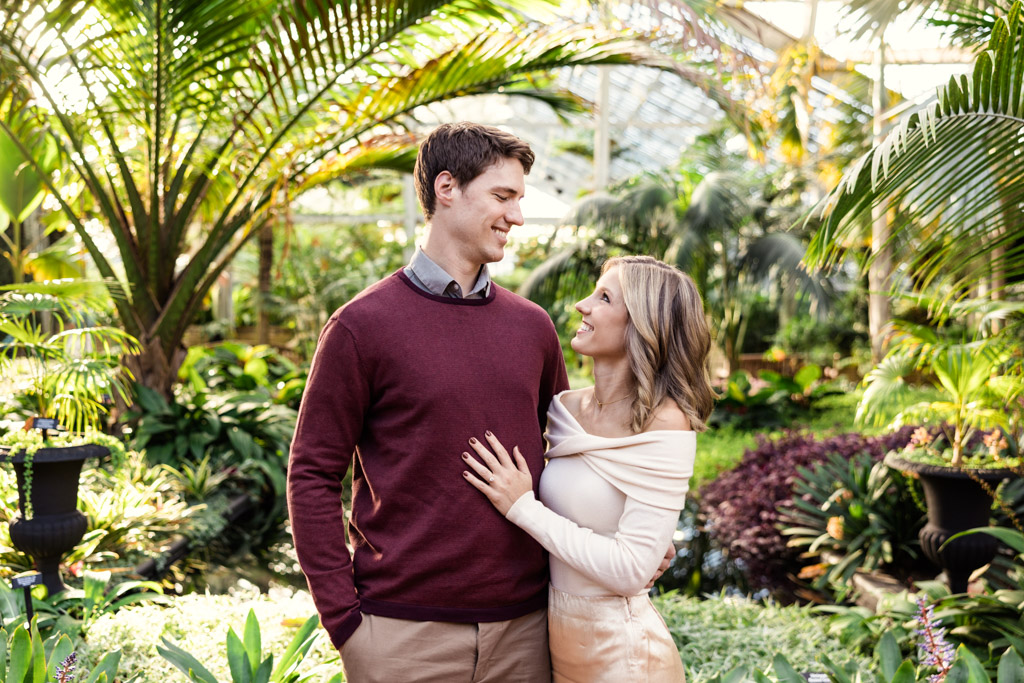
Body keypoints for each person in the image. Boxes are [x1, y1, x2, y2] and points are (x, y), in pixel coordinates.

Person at [287, 122, 572, 683]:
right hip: (399, 636)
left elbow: (570, 454)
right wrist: (345, 623)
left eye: (520, 199)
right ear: (447, 188)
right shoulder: (361, 326)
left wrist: (632, 539)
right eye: (502, 196)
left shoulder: (532, 327)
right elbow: (313, 474)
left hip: (526, 633)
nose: (516, 216)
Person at [462, 255, 715, 682]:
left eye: (604, 298)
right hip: (557, 639)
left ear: (643, 323)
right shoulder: (563, 410)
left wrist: (523, 508)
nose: (582, 305)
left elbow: (632, 570)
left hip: (624, 653)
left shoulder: (666, 421)